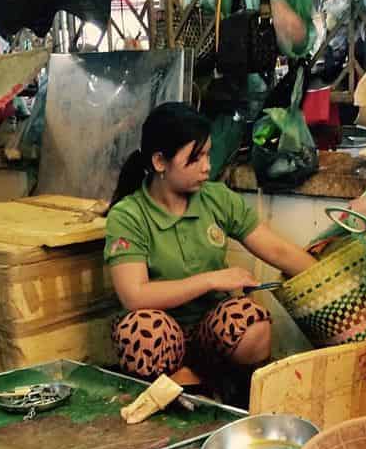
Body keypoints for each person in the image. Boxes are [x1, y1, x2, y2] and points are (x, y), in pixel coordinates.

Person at [104, 102, 317, 386]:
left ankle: (202, 383)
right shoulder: (128, 215)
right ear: (159, 162)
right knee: (142, 331)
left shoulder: (217, 198)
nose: (207, 167)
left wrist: (328, 279)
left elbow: (277, 250)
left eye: (208, 154)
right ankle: (182, 384)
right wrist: (212, 280)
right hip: (163, 335)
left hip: (210, 331)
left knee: (253, 322)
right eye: (195, 158)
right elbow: (135, 296)